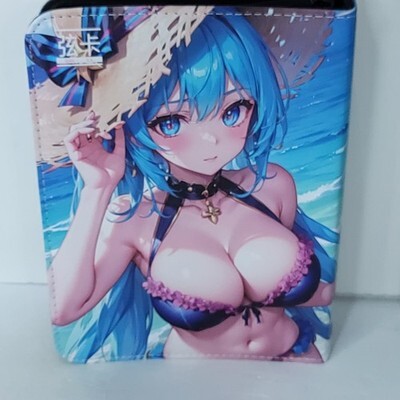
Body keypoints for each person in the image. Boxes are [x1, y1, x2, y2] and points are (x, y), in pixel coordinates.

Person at [49, 8, 336, 363]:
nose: (211, 140)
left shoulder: (272, 186)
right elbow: (64, 309)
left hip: (298, 360)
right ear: (133, 123)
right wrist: (97, 189)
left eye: (233, 110)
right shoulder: (133, 219)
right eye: (171, 121)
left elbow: (301, 294)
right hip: (196, 381)